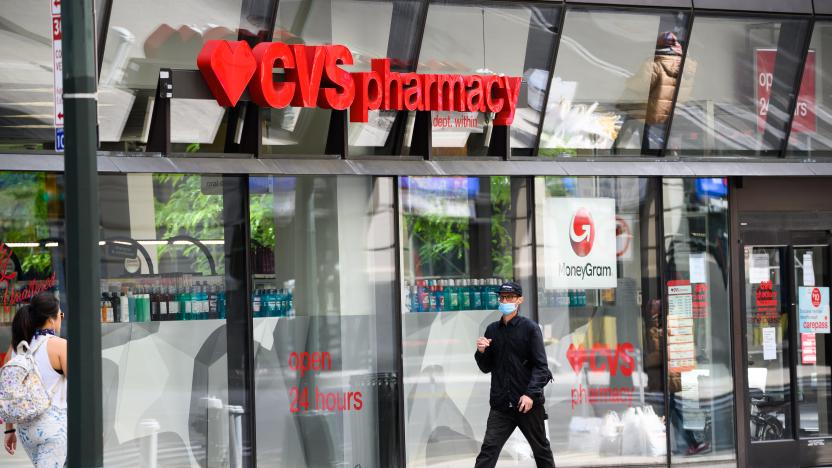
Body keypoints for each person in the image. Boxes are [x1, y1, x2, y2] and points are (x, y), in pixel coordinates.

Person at [474, 281, 555, 468]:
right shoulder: (492, 330)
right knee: (488, 451)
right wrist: (481, 352)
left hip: (527, 404)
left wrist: (529, 394)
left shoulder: (530, 329)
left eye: (509, 297)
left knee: (541, 451)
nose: (504, 300)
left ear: (519, 300)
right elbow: (486, 368)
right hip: (501, 405)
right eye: (502, 297)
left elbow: (542, 368)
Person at [2, 292, 67, 467]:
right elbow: (80, 390)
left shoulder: (16, 347)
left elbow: (11, 392)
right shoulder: (60, 346)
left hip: (26, 431)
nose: (61, 319)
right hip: (54, 428)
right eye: (60, 314)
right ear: (51, 319)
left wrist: (9, 429)